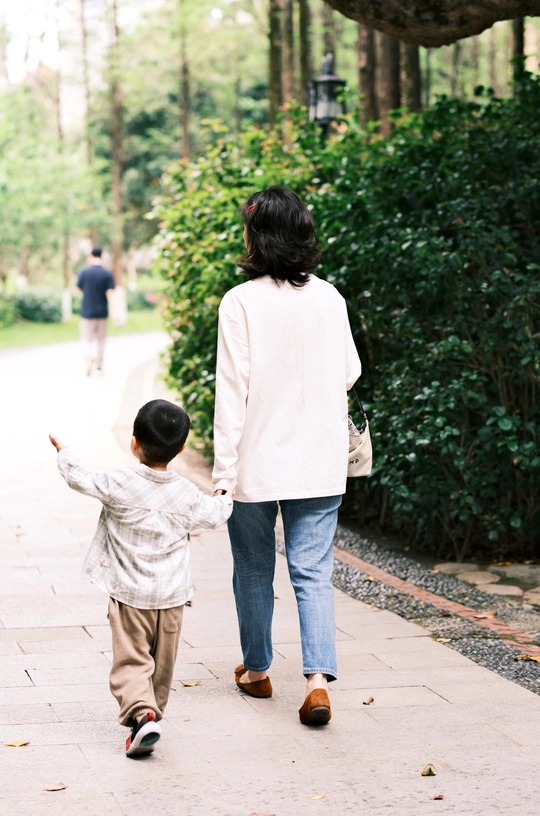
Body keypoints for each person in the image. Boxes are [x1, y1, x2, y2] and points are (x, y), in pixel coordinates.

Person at [212, 186, 361, 726]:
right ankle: (317, 683)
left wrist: (223, 473)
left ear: (256, 235)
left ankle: (257, 670)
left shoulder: (240, 302)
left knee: (253, 568)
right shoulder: (331, 297)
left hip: (255, 461)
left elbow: (232, 391)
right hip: (319, 459)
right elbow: (349, 372)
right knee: (312, 572)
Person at [49, 399, 233, 757]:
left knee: (132, 660)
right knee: (162, 665)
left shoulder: (118, 482)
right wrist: (224, 495)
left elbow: (79, 478)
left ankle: (142, 716)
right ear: (181, 448)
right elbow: (215, 515)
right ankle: (149, 716)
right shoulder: (185, 493)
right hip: (172, 598)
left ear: (134, 443)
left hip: (130, 596)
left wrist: (64, 452)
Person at [76, 247, 115, 376]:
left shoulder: (84, 272)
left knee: (86, 339)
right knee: (101, 341)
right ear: (101, 257)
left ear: (90, 256)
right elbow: (110, 293)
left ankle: (88, 358)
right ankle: (99, 368)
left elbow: (77, 290)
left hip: (87, 312)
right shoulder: (107, 273)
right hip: (102, 312)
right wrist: (114, 311)